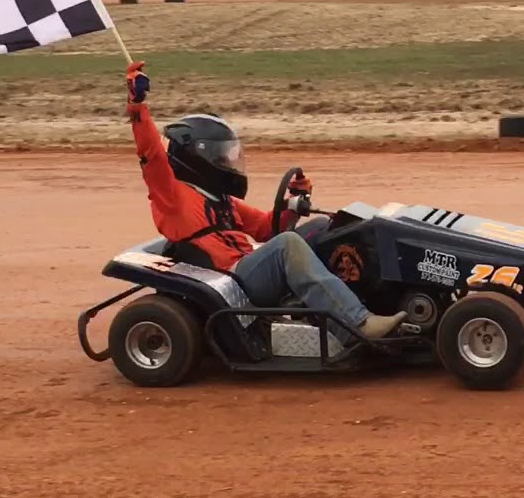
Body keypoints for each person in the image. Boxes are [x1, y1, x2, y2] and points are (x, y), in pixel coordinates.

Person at [124, 61, 407, 349]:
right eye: (221, 157)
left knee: (324, 227)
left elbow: (264, 227)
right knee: (287, 245)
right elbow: (151, 153)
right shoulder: (171, 195)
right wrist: (137, 105)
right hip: (230, 282)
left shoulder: (221, 200)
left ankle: (370, 298)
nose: (227, 162)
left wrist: (293, 205)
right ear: (197, 157)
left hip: (246, 269)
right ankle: (357, 324)